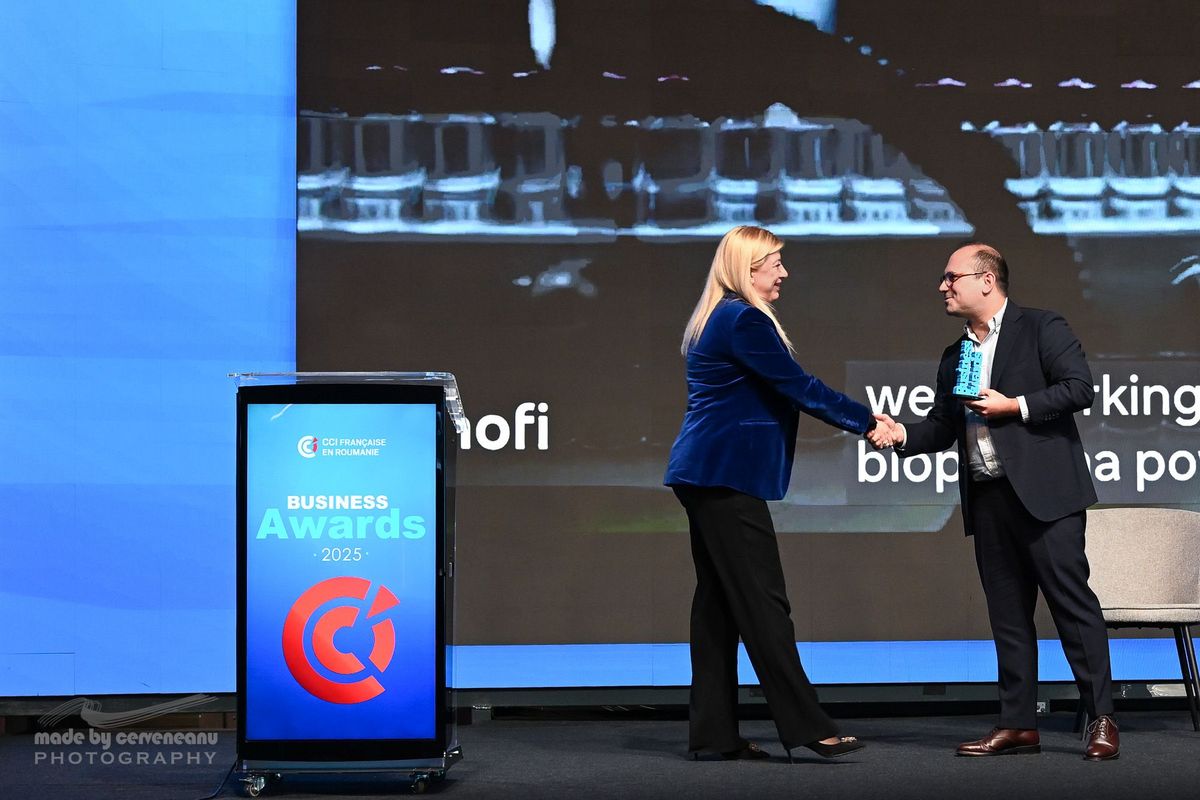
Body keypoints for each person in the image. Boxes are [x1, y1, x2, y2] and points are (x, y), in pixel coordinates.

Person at [869, 242, 1118, 761]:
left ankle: (1101, 718)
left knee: (1072, 608)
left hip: (1047, 496)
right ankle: (1018, 724)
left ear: (986, 280)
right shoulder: (956, 354)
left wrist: (1015, 406)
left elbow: (1079, 388)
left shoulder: (1041, 327)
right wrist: (901, 436)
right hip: (989, 498)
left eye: (951, 277)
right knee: (1007, 616)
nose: (942, 286)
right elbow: (944, 426)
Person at [664, 225, 876, 762]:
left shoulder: (721, 316)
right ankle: (808, 726)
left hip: (705, 474)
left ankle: (713, 737)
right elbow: (801, 387)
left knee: (718, 608)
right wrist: (871, 422)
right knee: (764, 602)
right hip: (723, 476)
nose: (784, 272)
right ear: (748, 267)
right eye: (775, 263)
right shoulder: (743, 319)